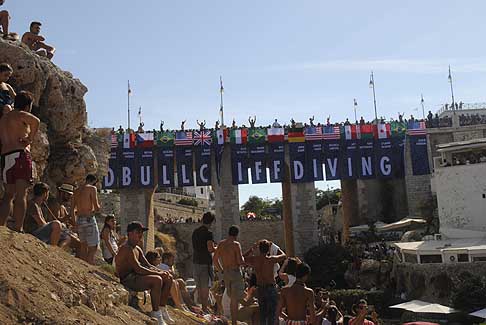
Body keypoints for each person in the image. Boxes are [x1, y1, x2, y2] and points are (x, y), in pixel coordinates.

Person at [115, 222, 175, 325]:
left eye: (141, 232)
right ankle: (155, 313)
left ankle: (162, 308)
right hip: (128, 279)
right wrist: (159, 274)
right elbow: (139, 269)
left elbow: (148, 265)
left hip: (136, 276)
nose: (140, 235)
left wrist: (161, 271)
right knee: (157, 280)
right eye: (138, 232)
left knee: (168, 278)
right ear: (130, 233)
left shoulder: (137, 248)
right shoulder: (126, 248)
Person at [0, 91, 39, 232]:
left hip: (5, 156)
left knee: (8, 194)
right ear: (28, 106)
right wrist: (29, 139)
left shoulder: (4, 119)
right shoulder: (20, 115)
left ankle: (1, 225)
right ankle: (18, 227)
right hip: (20, 154)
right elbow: (36, 121)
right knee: (22, 193)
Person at [245, 240, 286, 325]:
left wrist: (251, 249)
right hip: (270, 287)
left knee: (263, 314)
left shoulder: (254, 260)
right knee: (272, 314)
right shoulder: (271, 259)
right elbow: (283, 255)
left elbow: (242, 258)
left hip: (260, 288)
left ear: (259, 249)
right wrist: (274, 246)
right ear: (268, 250)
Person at [213, 225, 245, 325]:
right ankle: (234, 322)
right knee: (235, 299)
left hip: (226, 272)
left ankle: (233, 321)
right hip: (235, 272)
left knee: (231, 298)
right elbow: (240, 261)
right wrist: (244, 260)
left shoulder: (221, 244)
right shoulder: (236, 244)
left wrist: (221, 270)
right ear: (236, 234)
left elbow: (215, 259)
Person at [70, 174, 101, 265]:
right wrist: (99, 207)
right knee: (93, 247)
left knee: (83, 246)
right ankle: (90, 265)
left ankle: (83, 267)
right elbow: (96, 207)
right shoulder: (92, 189)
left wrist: (74, 223)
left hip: (79, 220)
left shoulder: (76, 191)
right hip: (89, 219)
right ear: (93, 181)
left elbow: (72, 209)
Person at [191, 211, 216, 313]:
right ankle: (204, 310)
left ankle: (200, 309)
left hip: (196, 261)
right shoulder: (209, 233)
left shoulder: (195, 232)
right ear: (212, 222)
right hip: (205, 263)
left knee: (199, 286)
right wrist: (217, 248)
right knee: (205, 287)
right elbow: (210, 249)